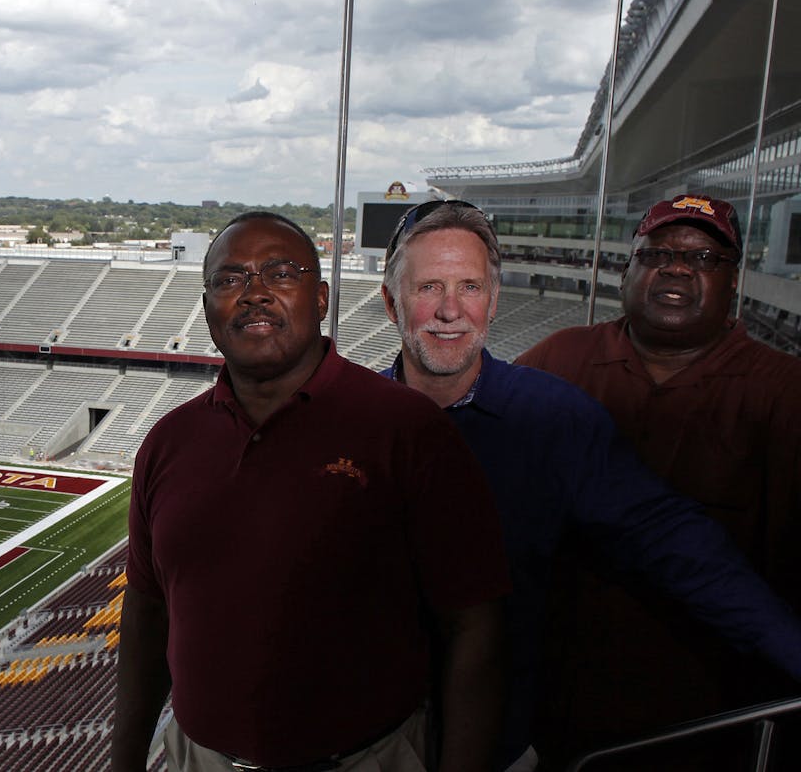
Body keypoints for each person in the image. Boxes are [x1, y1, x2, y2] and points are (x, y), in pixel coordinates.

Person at [378, 199, 801, 771]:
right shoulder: (345, 421)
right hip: (359, 736)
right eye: (429, 287)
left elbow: (672, 540)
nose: (450, 310)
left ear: (494, 301)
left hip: (498, 740)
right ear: (390, 301)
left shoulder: (558, 417)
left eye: (470, 287)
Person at [112, 210, 511, 772]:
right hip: (196, 758)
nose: (254, 294)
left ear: (321, 299)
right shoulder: (168, 442)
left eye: (280, 273)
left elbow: (475, 624)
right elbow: (148, 607)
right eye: (230, 279)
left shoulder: (409, 429)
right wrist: (125, 758)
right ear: (206, 309)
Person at [516, 194, 801, 762]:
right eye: (659, 253)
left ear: (734, 280)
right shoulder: (559, 359)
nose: (677, 267)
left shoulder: (783, 391)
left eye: (704, 259)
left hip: (707, 717)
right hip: (556, 701)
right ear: (630, 270)